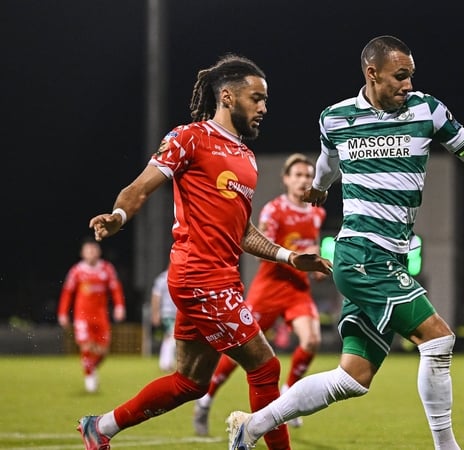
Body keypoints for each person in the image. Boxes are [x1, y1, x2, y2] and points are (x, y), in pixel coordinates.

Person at [226, 35, 464, 450]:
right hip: (360, 254)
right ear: (372, 74)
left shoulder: (427, 110)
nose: (408, 84)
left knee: (352, 378)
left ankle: (252, 426)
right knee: (439, 338)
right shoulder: (335, 118)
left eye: (411, 75)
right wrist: (318, 186)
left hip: (390, 258)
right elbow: (327, 162)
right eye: (399, 76)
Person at [76, 54, 332, 450]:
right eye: (256, 98)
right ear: (227, 97)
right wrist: (119, 215)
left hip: (220, 278)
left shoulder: (246, 158)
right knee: (265, 368)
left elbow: (244, 231)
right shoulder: (189, 138)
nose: (264, 108)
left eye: (265, 100)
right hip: (199, 277)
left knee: (190, 382)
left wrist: (289, 257)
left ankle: (101, 428)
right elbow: (140, 187)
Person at [192, 153, 327, 435]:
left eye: (307, 175)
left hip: (297, 290)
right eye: (298, 175)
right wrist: (294, 257)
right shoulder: (273, 211)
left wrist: (314, 264)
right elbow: (262, 250)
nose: (303, 180)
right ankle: (206, 400)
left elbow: (311, 241)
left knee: (312, 339)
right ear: (286, 179)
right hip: (269, 288)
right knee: (241, 350)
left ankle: (289, 398)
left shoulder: (317, 212)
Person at [58, 238, 126, 394]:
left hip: (101, 315)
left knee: (103, 351)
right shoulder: (76, 271)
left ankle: (91, 367)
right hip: (82, 316)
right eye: (88, 250)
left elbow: (116, 289)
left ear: (99, 252)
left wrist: (119, 307)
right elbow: (67, 293)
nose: (91, 253)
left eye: (94, 250)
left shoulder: (107, 269)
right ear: (82, 253)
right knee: (86, 346)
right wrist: (62, 313)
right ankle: (89, 377)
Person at [150, 267, 177, 372]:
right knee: (173, 336)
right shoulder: (162, 278)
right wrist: (155, 313)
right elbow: (156, 297)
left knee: (169, 337)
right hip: (167, 313)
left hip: (178, 313)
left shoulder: (179, 276)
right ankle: (167, 363)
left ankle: (164, 362)